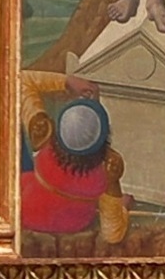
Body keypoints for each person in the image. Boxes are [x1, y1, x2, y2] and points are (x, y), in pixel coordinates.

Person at [22, 93, 127, 247]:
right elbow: (113, 235)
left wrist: (66, 83)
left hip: (26, 212)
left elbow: (25, 86)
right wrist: (116, 191)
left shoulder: (45, 139)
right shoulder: (103, 173)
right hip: (73, 224)